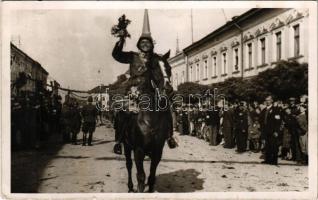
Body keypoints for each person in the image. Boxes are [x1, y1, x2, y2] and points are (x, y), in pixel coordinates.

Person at [111, 11, 177, 153]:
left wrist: (163, 87)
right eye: (143, 42)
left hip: (150, 92)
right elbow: (117, 55)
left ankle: (169, 136)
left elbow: (161, 74)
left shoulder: (155, 59)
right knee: (123, 113)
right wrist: (121, 40)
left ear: (151, 45)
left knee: (166, 109)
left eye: (148, 42)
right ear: (139, 44)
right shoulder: (132, 56)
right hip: (133, 91)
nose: (145, 44)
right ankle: (119, 141)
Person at [261, 96, 283, 165]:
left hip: (273, 131)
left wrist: (276, 131)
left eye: (269, 100)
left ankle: (274, 161)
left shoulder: (275, 110)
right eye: (266, 100)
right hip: (265, 130)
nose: (267, 101)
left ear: (272, 101)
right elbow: (261, 120)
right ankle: (267, 159)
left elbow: (278, 121)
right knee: (267, 146)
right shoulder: (264, 110)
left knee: (273, 146)